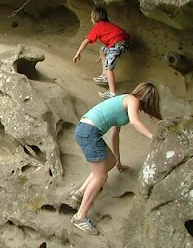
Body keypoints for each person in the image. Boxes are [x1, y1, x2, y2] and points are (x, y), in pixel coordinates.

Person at [67, 82, 162, 235]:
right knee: (101, 176)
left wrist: (117, 162)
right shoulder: (132, 100)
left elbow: (114, 135)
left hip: (86, 129)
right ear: (148, 99)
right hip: (89, 132)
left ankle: (79, 194)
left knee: (108, 162)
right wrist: (154, 138)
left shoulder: (122, 102)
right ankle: (80, 216)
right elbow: (135, 122)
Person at [72, 7, 130, 100]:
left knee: (108, 67)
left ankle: (112, 93)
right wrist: (103, 55)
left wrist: (78, 53)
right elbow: (111, 40)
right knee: (103, 49)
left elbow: (86, 41)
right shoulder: (107, 25)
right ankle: (104, 76)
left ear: (94, 18)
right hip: (122, 41)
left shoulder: (98, 27)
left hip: (118, 43)